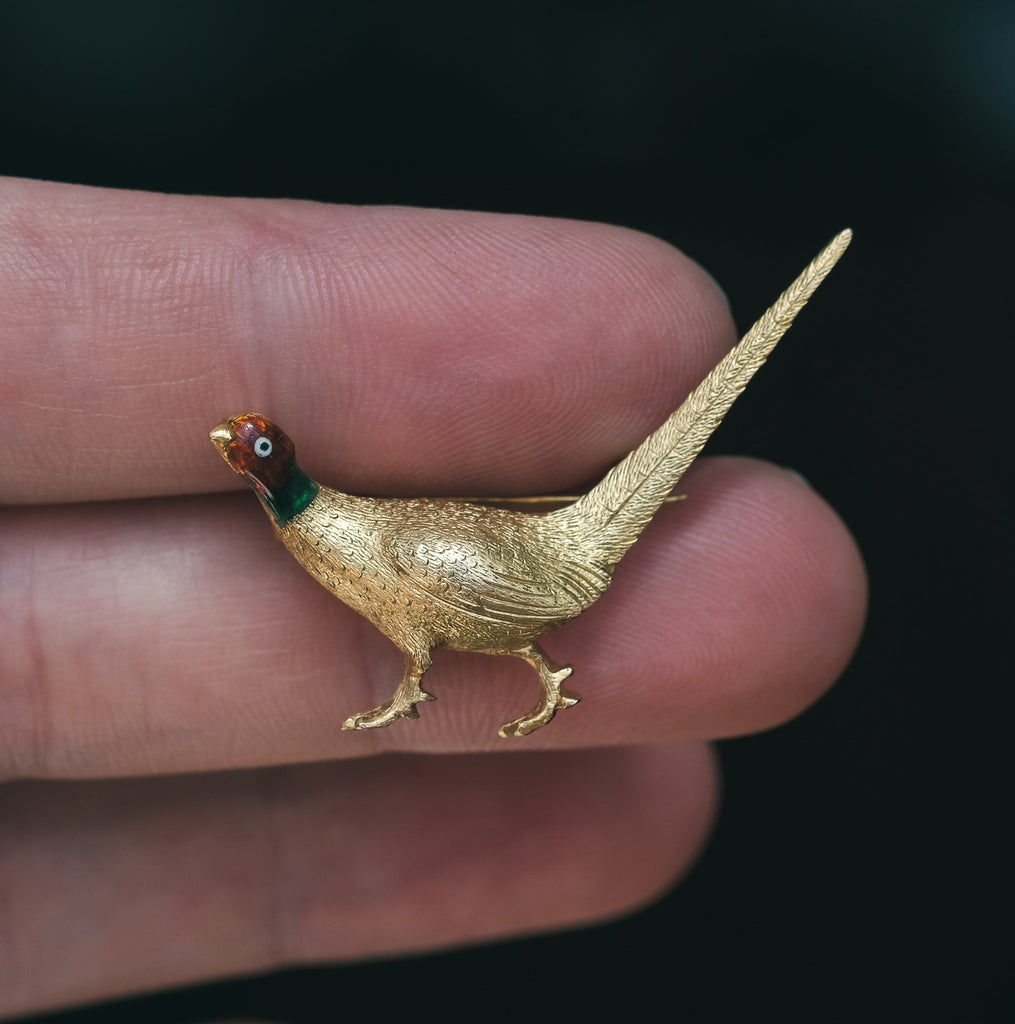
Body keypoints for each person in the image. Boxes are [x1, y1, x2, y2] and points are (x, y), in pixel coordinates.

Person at [0, 177, 867, 1017]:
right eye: (241, 445)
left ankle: (532, 672)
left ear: (275, 456)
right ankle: (502, 675)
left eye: (251, 442)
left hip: (544, 566)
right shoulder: (328, 531)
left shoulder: (383, 536)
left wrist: (541, 607)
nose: (237, 444)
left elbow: (509, 581)